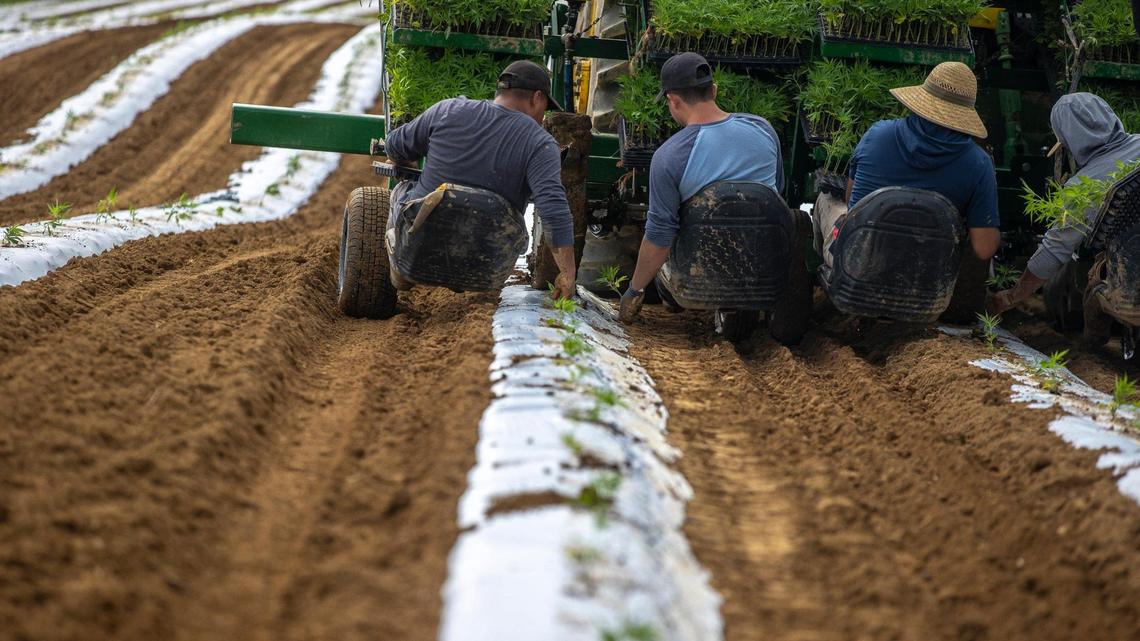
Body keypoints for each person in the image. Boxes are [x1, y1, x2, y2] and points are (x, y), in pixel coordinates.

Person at [383, 60, 577, 299]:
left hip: (422, 243)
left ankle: (401, 271)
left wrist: (407, 162)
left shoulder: (447, 110)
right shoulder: (541, 143)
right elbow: (553, 208)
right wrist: (567, 273)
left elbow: (394, 147)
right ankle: (477, 289)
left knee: (402, 189)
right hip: (488, 264)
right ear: (537, 98)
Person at [618, 52, 784, 323]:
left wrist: (634, 290)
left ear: (672, 100)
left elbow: (660, 236)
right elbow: (777, 194)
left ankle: (671, 300)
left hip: (699, 278)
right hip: (762, 264)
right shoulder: (763, 129)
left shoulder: (669, 156)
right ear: (714, 90)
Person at [812, 61, 1001, 273]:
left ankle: (831, 279)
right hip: (926, 274)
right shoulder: (979, 164)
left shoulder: (877, 135)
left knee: (825, 199)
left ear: (922, 101)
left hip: (859, 263)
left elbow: (852, 203)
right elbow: (983, 249)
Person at [990, 93, 1140, 318]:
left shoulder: (1082, 187)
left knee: (1090, 276)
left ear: (1068, 140)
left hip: (1131, 277)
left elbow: (1054, 251)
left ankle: (1094, 337)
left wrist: (1013, 296)